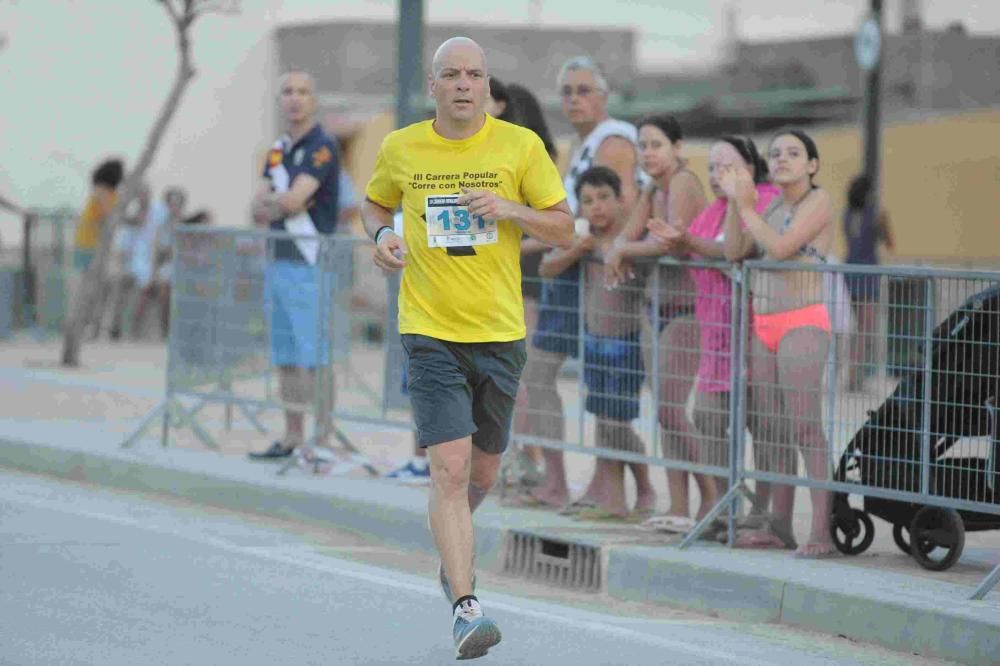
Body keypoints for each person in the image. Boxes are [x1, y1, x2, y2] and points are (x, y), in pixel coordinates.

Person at [362, 36, 572, 660]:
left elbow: (564, 225)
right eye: (450, 74)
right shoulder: (402, 146)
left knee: (482, 472)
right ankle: (465, 604)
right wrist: (381, 235)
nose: (461, 84)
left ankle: (453, 559)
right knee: (448, 470)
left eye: (473, 75)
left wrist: (510, 207)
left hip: (500, 332)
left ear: (486, 87)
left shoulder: (519, 146)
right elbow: (376, 202)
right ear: (433, 86)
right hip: (429, 330)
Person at [514, 55, 649, 513]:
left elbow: (612, 217)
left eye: (583, 90)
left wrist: (561, 249)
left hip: (598, 278)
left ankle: (632, 486)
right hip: (572, 272)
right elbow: (573, 220)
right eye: (567, 91)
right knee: (552, 377)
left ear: (605, 96)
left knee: (605, 395)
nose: (574, 99)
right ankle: (570, 482)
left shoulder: (613, 143)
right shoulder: (585, 144)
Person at [646, 136, 780, 534]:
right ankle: (725, 505)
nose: (718, 176)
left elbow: (735, 253)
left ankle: (762, 513)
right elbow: (703, 249)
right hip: (716, 335)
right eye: (712, 169)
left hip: (757, 333)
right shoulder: (711, 213)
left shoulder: (767, 201)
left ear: (751, 169)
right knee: (706, 415)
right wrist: (678, 241)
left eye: (728, 167)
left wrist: (689, 243)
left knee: (764, 425)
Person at [722, 128, 836, 559]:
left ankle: (821, 531)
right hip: (763, 323)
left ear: (812, 164)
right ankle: (779, 525)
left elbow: (784, 248)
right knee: (772, 430)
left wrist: (747, 205)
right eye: (776, 153)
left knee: (806, 428)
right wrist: (738, 205)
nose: (783, 159)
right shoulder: (768, 206)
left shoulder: (819, 201)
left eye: (794, 153)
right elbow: (736, 250)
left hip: (802, 322)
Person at [606, 114, 708, 530]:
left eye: (656, 145)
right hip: (654, 311)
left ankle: (715, 499)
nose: (648, 153)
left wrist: (623, 251)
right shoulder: (652, 187)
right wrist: (621, 248)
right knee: (666, 414)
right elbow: (626, 236)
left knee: (671, 410)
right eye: (642, 146)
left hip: (686, 311)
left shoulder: (684, 183)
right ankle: (679, 507)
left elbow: (669, 239)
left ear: (678, 148)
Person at [539, 166, 650, 520]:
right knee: (604, 422)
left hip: (627, 342)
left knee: (617, 424)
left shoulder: (630, 242)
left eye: (604, 198)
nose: (597, 207)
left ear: (621, 200)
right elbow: (547, 267)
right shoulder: (584, 242)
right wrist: (578, 249)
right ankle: (615, 500)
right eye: (588, 201)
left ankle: (644, 488)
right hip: (594, 342)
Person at [248, 70, 341, 462]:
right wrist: (279, 202)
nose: (294, 99)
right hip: (279, 260)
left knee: (315, 355)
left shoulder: (322, 147)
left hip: (310, 262)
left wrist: (279, 201)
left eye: (303, 91)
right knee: (285, 353)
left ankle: (321, 437)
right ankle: (291, 436)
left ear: (313, 99)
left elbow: (291, 201)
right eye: (287, 91)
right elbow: (259, 206)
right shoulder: (278, 149)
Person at [491, 80, 559, 489]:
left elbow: (551, 223)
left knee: (523, 371)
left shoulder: (536, 157)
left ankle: (532, 457)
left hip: (526, 276)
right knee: (502, 373)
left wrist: (510, 246)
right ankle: (517, 454)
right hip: (501, 275)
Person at [842, 174, 894, 392]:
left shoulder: (847, 215)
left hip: (850, 271)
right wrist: (885, 224)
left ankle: (852, 375)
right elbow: (890, 243)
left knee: (858, 328)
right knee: (866, 329)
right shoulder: (874, 215)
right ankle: (854, 378)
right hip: (868, 274)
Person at [131, 187, 186, 339]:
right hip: (162, 270)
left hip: (182, 271)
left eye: (178, 204)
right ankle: (139, 332)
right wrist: (154, 273)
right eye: (171, 204)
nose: (174, 208)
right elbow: (158, 253)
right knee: (154, 291)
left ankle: (171, 332)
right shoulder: (161, 226)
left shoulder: (186, 226)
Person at [73, 158, 124, 273]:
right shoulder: (102, 190)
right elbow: (106, 214)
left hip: (95, 243)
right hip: (89, 244)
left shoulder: (112, 193)